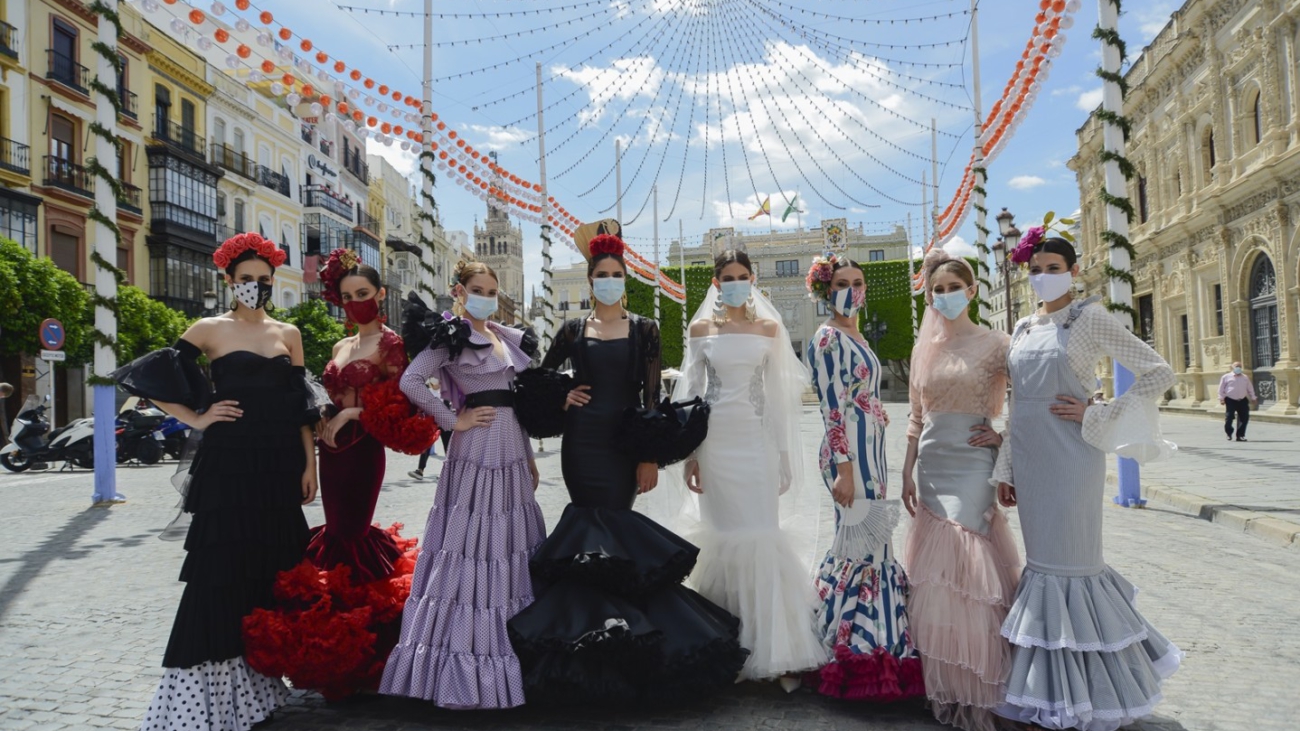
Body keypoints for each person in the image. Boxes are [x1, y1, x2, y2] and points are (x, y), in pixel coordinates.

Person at [506, 230, 748, 703]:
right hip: (581, 444)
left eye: (617, 276)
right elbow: (535, 378)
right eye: (602, 276)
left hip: (622, 444)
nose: (610, 282)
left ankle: (630, 646)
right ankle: (591, 654)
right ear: (590, 280)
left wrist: (649, 453)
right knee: (588, 534)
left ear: (626, 281)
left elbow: (652, 396)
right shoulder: (574, 330)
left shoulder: (645, 329)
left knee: (615, 534)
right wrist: (563, 396)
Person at [112, 233, 321, 731]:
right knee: (219, 570)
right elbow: (151, 377)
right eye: (246, 280)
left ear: (274, 282)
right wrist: (197, 419)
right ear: (229, 280)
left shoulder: (287, 333)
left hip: (277, 464)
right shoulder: (207, 329)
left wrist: (309, 464)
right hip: (228, 463)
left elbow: (301, 408)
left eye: (263, 280)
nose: (255, 287)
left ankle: (257, 684)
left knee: (271, 567)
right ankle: (196, 699)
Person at [994, 230, 1182, 730]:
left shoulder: (1090, 317)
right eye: (1037, 267)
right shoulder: (1021, 327)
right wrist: (1007, 467)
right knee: (1041, 565)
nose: (1044, 275)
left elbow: (1158, 372)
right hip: (1031, 463)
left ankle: (1093, 693)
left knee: (1072, 565)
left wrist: (1098, 412)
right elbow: (1017, 405)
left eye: (1054, 266)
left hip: (1073, 459)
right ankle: (1047, 691)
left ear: (1073, 271)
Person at [242, 248, 431, 699]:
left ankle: (368, 655)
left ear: (380, 295)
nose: (354, 303)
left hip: (364, 451)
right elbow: (332, 392)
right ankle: (338, 657)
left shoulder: (391, 345)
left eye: (363, 294)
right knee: (337, 537)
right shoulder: (340, 345)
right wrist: (329, 414)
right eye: (347, 296)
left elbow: (399, 404)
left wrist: (351, 417)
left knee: (351, 533)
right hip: (331, 451)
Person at [381, 261, 545, 710]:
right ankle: (464, 672)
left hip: (511, 447)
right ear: (459, 291)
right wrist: (454, 420)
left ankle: (513, 658)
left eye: (491, 290)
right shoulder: (449, 335)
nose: (486, 297)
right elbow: (411, 380)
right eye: (478, 289)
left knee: (508, 544)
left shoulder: (504, 335)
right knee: (473, 548)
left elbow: (515, 401)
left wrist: (528, 455)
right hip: (475, 450)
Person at [669, 249, 827, 688]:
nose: (736, 282)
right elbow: (692, 394)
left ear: (752, 279)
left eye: (743, 276)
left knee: (761, 535)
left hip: (756, 443)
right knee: (724, 539)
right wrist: (691, 456)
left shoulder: (769, 328)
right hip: (716, 444)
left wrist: (781, 456)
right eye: (727, 276)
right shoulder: (700, 330)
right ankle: (724, 646)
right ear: (716, 283)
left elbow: (779, 396)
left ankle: (777, 648)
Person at [899, 249, 1021, 731]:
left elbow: (1028, 396)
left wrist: (1004, 435)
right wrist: (905, 471)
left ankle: (981, 682)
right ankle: (942, 678)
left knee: (969, 565)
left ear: (971, 292)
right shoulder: (922, 347)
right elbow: (913, 417)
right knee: (935, 575)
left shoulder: (997, 343)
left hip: (973, 462)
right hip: (931, 464)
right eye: (938, 290)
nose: (946, 296)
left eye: (954, 288)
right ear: (930, 295)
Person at [804, 253, 923, 701]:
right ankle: (850, 649)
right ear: (825, 290)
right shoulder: (828, 337)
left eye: (858, 282)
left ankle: (880, 643)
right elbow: (831, 406)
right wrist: (845, 468)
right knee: (859, 547)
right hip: (849, 457)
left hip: (871, 454)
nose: (851, 290)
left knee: (872, 547)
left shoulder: (857, 334)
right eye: (841, 283)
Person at [1218, 361, 1257, 442]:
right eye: (1236, 366)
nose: (1238, 367)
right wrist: (1221, 398)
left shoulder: (1245, 377)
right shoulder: (1226, 377)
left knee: (1244, 418)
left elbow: (1250, 388)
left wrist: (1253, 397)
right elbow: (1221, 389)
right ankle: (1229, 433)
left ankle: (1240, 435)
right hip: (1230, 400)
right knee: (1229, 418)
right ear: (1232, 367)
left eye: (1239, 366)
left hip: (1242, 399)